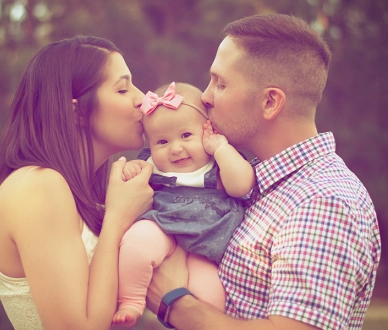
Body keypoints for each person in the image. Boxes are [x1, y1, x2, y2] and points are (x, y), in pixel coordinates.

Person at [145, 14, 382, 330]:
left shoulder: (323, 202)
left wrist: (175, 303)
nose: (205, 96)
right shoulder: (253, 180)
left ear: (270, 102)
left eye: (221, 83)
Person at [0, 36, 154, 330]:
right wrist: (116, 218)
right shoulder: (38, 186)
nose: (142, 98)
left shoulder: (82, 191)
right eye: (123, 89)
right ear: (76, 111)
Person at [112, 82, 255, 327]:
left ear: (208, 130)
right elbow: (132, 188)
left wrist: (220, 147)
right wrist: (131, 170)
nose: (176, 149)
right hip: (163, 226)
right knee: (136, 244)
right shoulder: (150, 164)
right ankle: (131, 300)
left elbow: (242, 186)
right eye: (162, 142)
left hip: (206, 247)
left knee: (210, 298)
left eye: (186, 136)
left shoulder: (219, 160)